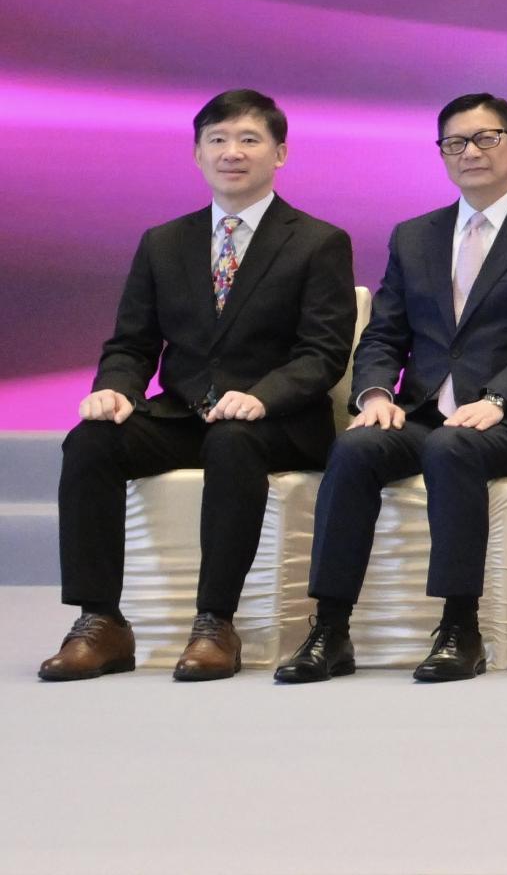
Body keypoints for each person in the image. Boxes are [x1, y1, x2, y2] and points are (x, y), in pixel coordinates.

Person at [281, 93, 507, 685]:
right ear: (442, 155)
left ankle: (460, 627)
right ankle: (328, 628)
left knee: (452, 448)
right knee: (353, 448)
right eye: (456, 142)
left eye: (487, 137)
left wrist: (498, 398)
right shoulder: (414, 236)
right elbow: (382, 333)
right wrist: (374, 393)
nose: (471, 151)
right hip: (426, 413)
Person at [41, 91, 356, 684]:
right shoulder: (164, 242)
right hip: (187, 414)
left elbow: (324, 354)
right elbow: (131, 345)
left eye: (248, 139)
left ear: (279, 153)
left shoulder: (318, 241)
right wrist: (115, 389)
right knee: (91, 441)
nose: (231, 152)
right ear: (197, 154)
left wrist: (263, 394)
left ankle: (215, 622)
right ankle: (100, 621)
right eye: (217, 140)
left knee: (235, 441)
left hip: (278, 421)